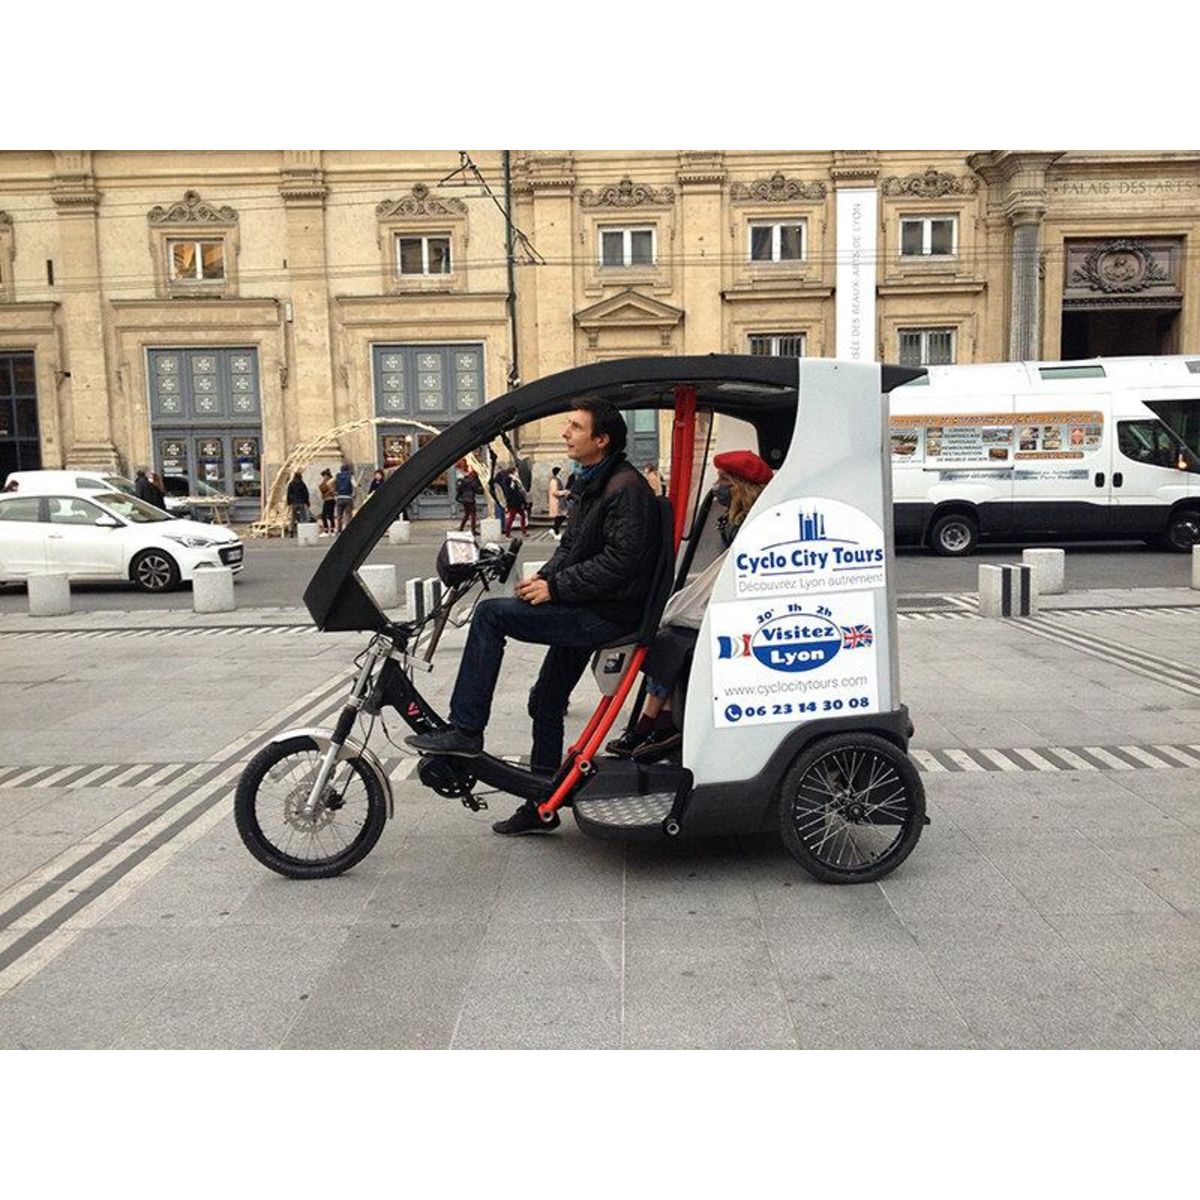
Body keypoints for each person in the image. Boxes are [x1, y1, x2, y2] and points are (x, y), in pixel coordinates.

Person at [406, 398, 660, 836]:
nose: (565, 432)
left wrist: (556, 588)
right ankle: (541, 803)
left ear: (601, 440)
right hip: (590, 604)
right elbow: (572, 547)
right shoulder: (594, 480)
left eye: (575, 427)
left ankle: (466, 729)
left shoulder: (625, 488)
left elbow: (621, 562)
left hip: (605, 614)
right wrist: (542, 577)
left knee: (489, 617)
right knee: (545, 701)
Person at [606, 450, 773, 762]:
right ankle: (661, 719)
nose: (716, 486)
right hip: (733, 608)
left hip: (746, 616)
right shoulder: (734, 518)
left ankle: (653, 722)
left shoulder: (752, 522)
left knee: (671, 640)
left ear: (741, 486)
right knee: (668, 636)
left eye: (724, 480)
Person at [455, 461, 484, 534]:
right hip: (470, 500)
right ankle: (473, 530)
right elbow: (478, 491)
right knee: (473, 515)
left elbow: (458, 489)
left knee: (467, 514)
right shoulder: (472, 481)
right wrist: (482, 488)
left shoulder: (463, 480)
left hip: (464, 500)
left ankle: (461, 528)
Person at [499, 465, 528, 536]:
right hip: (513, 502)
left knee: (522, 515)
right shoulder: (509, 479)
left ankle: (524, 531)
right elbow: (510, 491)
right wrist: (513, 482)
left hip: (517, 501)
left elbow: (519, 490)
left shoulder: (515, 479)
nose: (517, 473)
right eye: (516, 471)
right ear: (513, 472)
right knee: (511, 517)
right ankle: (507, 533)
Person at [286, 470, 311, 536]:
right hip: (301, 502)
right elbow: (306, 494)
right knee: (302, 517)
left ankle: (291, 530)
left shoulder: (291, 484)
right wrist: (307, 502)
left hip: (294, 503)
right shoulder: (302, 484)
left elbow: (288, 494)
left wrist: (288, 502)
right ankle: (302, 531)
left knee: (293, 517)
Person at [334, 461, 356, 532]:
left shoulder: (337, 476)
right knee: (348, 514)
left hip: (339, 497)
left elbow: (329, 483)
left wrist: (335, 491)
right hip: (348, 497)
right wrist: (356, 489)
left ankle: (339, 529)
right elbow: (354, 484)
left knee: (339, 515)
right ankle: (348, 530)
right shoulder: (350, 476)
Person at [547, 465, 568, 537]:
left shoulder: (558, 479)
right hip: (557, 502)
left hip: (560, 501)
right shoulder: (554, 480)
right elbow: (554, 492)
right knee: (561, 516)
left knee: (560, 517)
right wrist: (564, 492)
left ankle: (555, 531)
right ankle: (555, 530)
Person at [317, 468, 336, 535]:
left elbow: (333, 492)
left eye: (324, 476)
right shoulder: (324, 483)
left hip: (330, 500)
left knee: (330, 515)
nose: (323, 478)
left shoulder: (331, 482)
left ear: (327, 476)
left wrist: (326, 493)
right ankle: (327, 529)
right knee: (324, 515)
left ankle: (331, 529)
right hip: (326, 500)